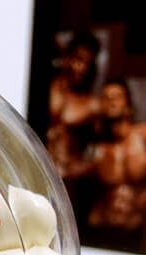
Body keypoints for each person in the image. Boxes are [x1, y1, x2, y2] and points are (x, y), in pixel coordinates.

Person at [86, 80, 146, 230]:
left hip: (140, 226)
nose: (111, 101)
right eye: (106, 97)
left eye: (117, 96)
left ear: (128, 105)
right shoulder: (97, 148)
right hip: (106, 226)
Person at [48, 32, 101, 180]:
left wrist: (78, 169)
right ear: (68, 57)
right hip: (39, 168)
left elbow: (103, 153)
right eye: (79, 59)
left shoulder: (92, 104)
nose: (82, 68)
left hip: (67, 178)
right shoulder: (48, 90)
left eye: (87, 63)